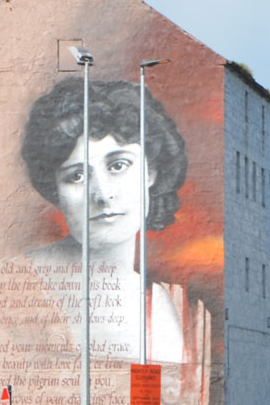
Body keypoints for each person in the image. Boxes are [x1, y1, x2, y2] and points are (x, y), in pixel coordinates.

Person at [19, 78, 191, 364]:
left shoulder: (162, 303)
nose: (102, 194)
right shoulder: (20, 285)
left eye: (118, 165)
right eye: (77, 175)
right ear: (56, 191)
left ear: (151, 171)